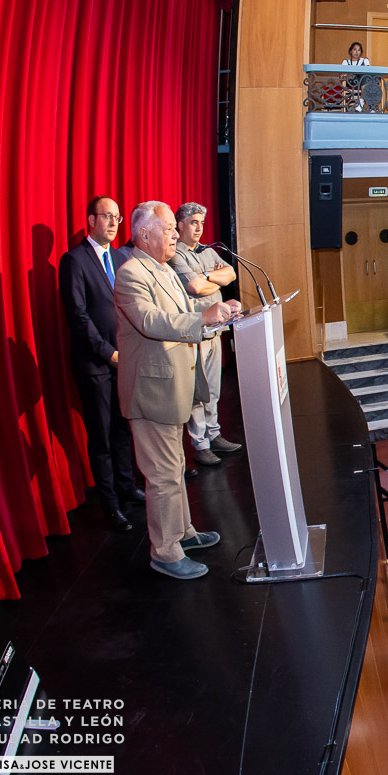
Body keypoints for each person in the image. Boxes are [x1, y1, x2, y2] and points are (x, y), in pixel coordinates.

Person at [114, 202, 239, 579]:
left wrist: (220, 312)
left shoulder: (164, 269)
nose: (174, 234)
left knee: (175, 468)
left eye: (173, 227)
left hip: (171, 388)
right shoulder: (131, 273)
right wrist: (201, 318)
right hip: (150, 393)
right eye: (168, 228)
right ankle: (166, 553)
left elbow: (185, 311)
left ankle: (183, 532)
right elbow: (151, 321)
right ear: (144, 234)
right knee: (163, 475)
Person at [58, 196, 139, 533]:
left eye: (117, 217)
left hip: (126, 357)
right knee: (102, 435)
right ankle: (110, 504)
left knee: (122, 429)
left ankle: (127, 487)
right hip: (96, 364)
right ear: (91, 220)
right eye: (107, 216)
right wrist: (108, 353)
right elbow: (78, 316)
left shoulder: (121, 257)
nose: (114, 223)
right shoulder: (74, 260)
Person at [165, 202, 242, 468]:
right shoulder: (176, 253)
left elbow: (231, 274)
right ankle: (201, 445)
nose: (199, 228)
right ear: (180, 225)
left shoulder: (207, 251)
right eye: (193, 223)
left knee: (213, 388)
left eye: (201, 223)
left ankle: (214, 434)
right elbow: (195, 287)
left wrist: (206, 274)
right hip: (195, 331)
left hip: (217, 329)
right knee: (198, 392)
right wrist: (211, 279)